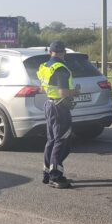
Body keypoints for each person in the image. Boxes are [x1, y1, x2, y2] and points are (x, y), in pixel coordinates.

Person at [37, 40, 79, 189]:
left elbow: (42, 89)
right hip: (59, 107)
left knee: (52, 141)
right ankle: (56, 177)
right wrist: (75, 92)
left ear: (50, 52)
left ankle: (47, 174)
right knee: (61, 141)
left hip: (49, 104)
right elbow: (62, 92)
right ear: (64, 53)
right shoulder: (61, 68)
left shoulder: (45, 67)